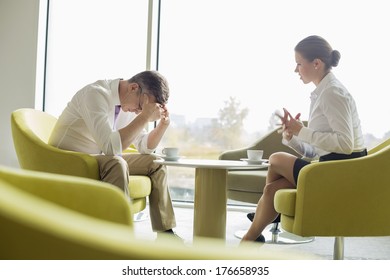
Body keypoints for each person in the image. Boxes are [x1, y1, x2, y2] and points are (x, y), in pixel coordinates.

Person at [241, 35, 367, 243]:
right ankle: (254, 233)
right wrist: (292, 137)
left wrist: (302, 131)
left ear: (316, 63)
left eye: (299, 64)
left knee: (276, 158)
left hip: (342, 172)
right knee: (273, 190)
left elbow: (345, 145)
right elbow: (315, 151)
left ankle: (266, 214)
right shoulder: (323, 92)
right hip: (331, 166)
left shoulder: (333, 93)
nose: (295, 70)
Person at [49, 70, 178, 238]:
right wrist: (146, 116)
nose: (139, 111)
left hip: (94, 159)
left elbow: (144, 147)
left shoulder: (127, 106)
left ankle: (166, 234)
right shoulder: (95, 94)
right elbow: (110, 148)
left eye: (144, 109)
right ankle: (118, 239)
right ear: (133, 88)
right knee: (117, 162)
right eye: (141, 106)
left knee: (155, 162)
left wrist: (162, 125)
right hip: (68, 159)